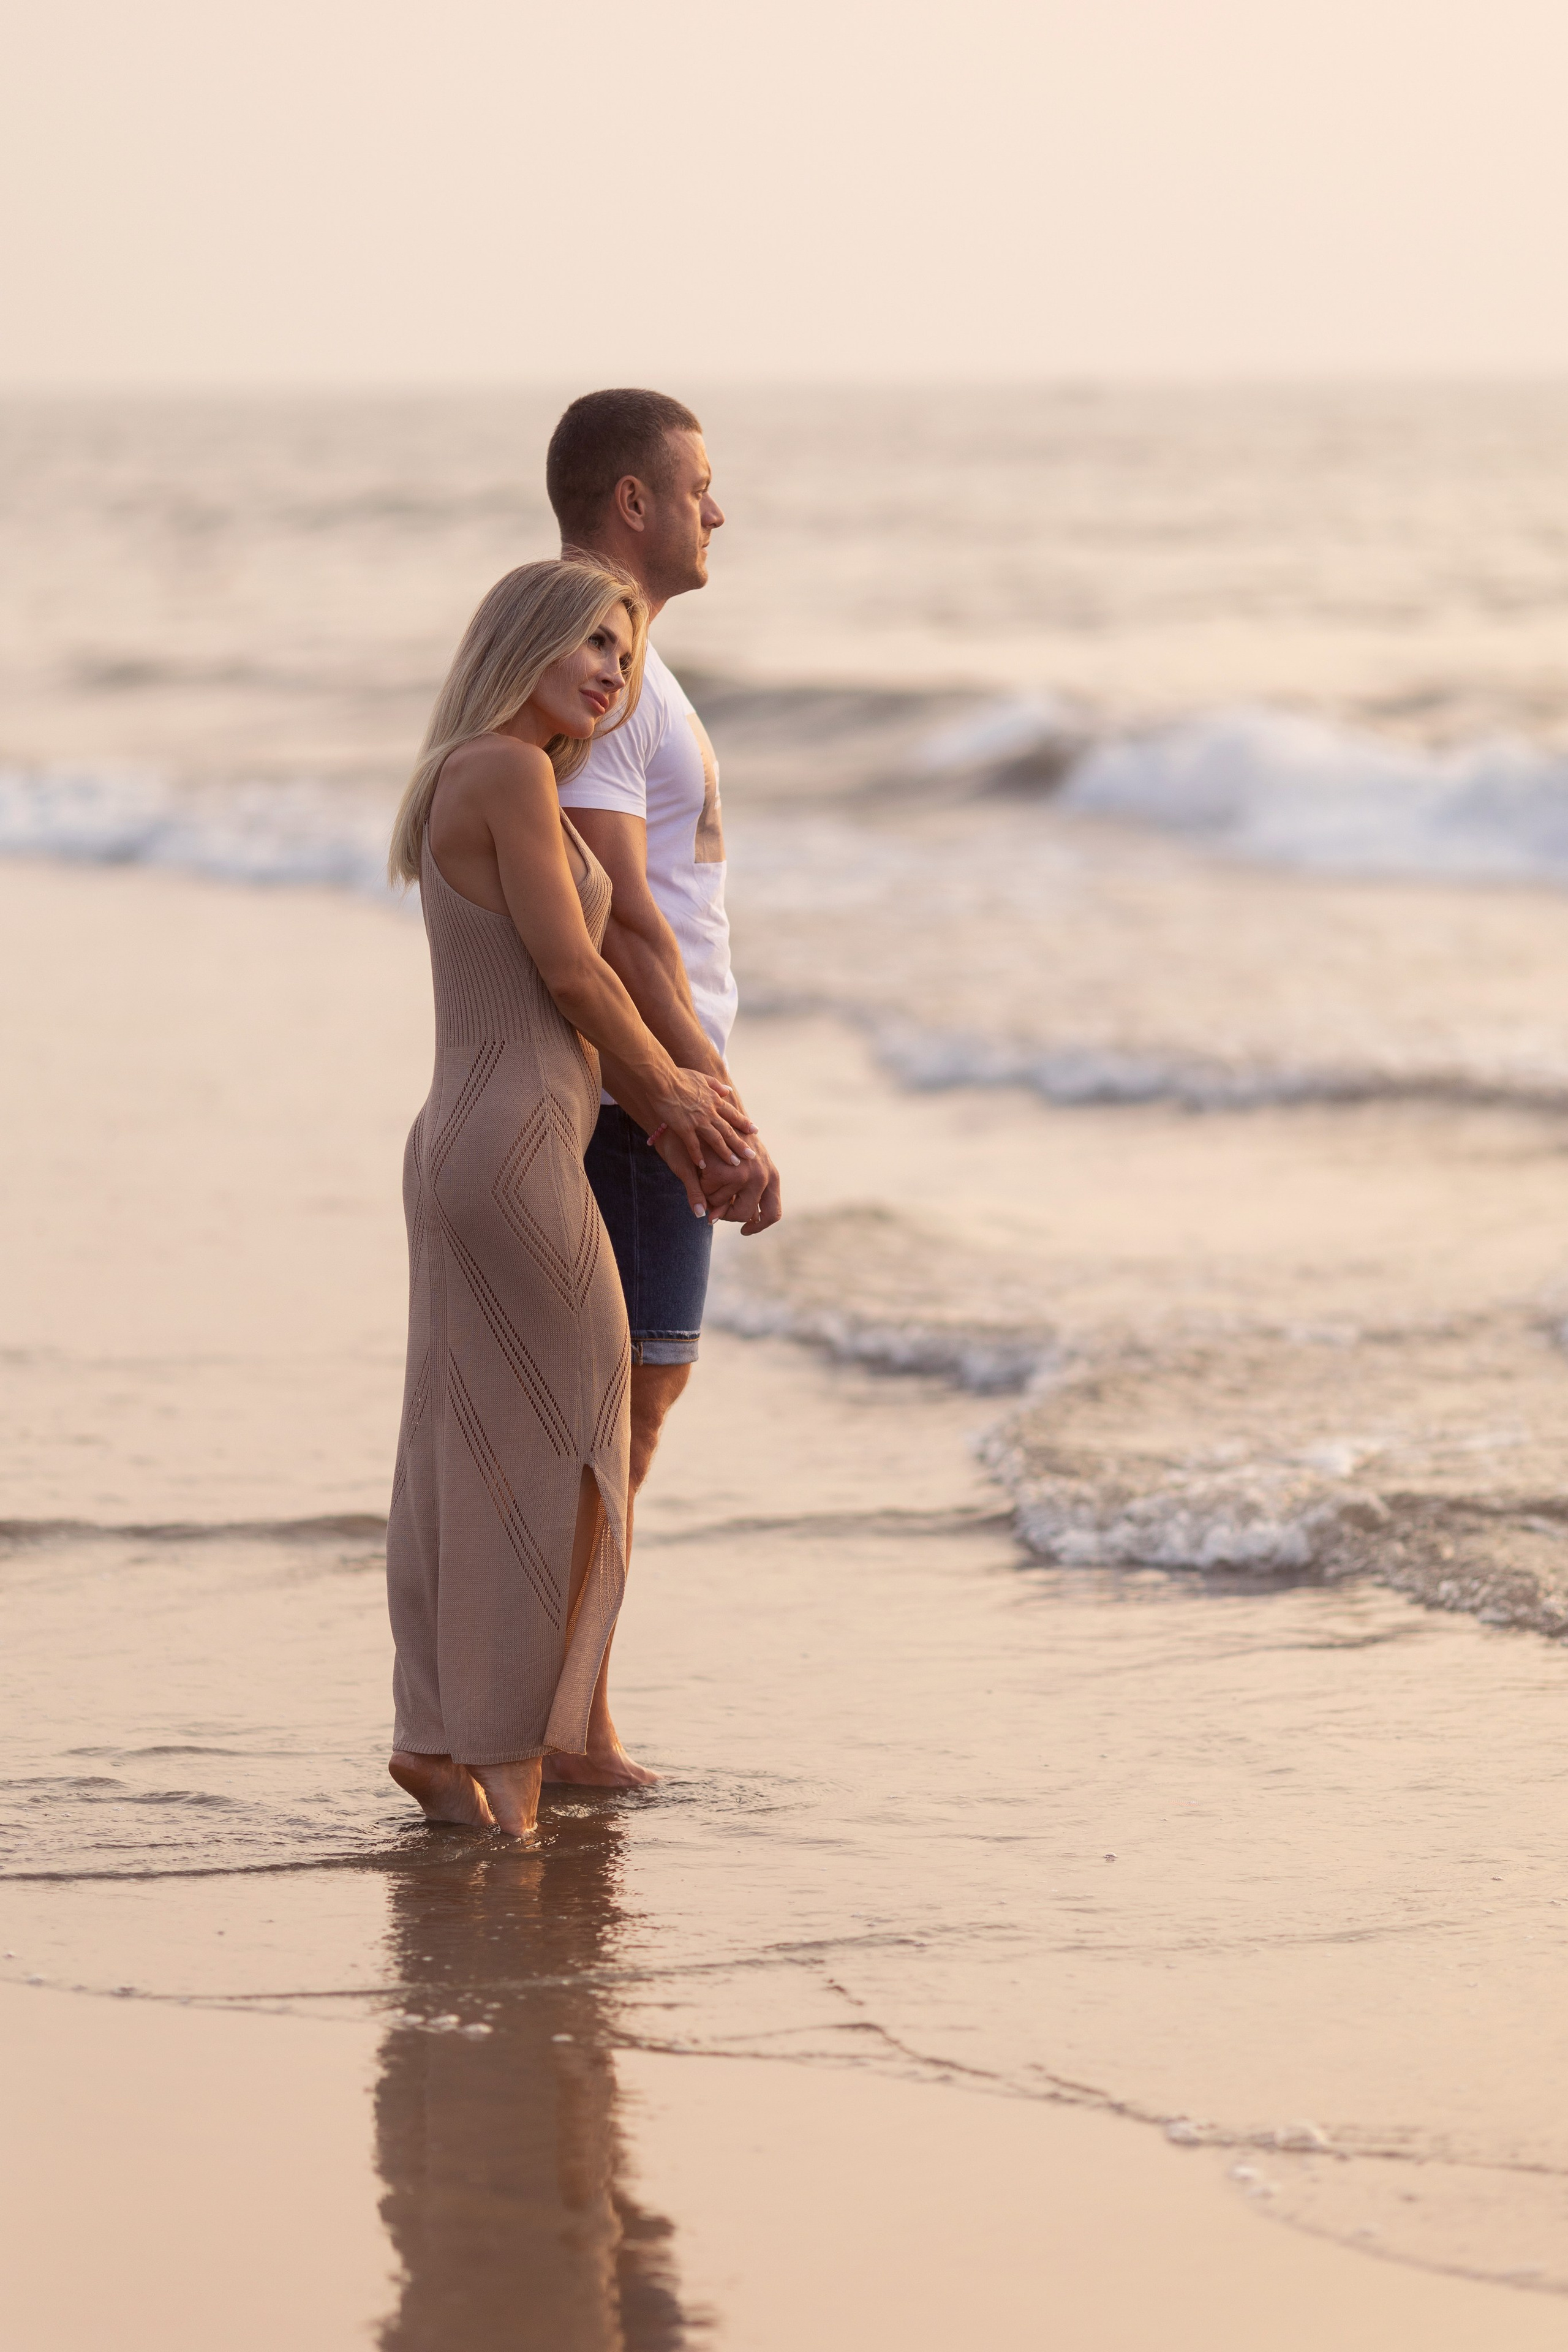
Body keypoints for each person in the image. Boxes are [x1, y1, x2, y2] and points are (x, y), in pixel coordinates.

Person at [383, 559, 755, 1839]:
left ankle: (440, 1740)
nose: (611, 669)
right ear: (522, 643)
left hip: (469, 1136)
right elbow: (578, 976)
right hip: (516, 1138)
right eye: (590, 644)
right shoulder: (504, 772)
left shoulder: (480, 776)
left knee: (470, 1435)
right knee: (573, 1442)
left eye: (625, 652)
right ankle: (510, 1750)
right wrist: (682, 1108)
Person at [543, 390, 783, 1791]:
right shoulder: (608, 660)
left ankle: (566, 1711)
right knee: (627, 1412)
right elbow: (620, 916)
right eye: (696, 484)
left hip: (648, 1087)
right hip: (642, 1097)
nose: (715, 508)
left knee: (619, 1411)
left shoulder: (610, 658)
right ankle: (575, 1727)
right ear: (628, 499)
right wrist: (704, 1096)